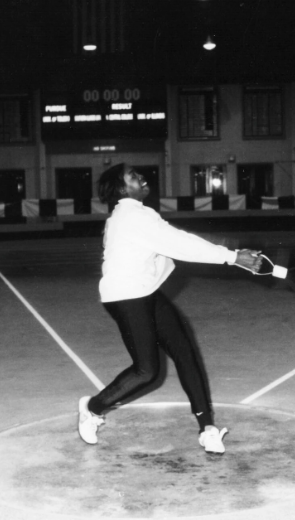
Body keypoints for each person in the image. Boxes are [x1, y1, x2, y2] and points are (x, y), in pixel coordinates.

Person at [77, 163, 263, 455]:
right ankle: (92, 408)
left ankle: (207, 429)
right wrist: (233, 256)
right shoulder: (131, 216)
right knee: (147, 371)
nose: (141, 177)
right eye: (133, 176)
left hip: (146, 291)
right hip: (126, 296)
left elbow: (171, 245)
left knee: (185, 353)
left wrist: (229, 254)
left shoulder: (135, 214)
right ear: (123, 189)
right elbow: (180, 243)